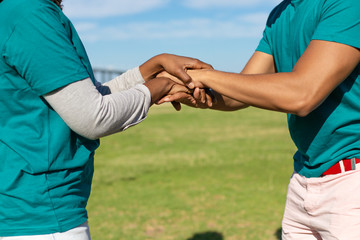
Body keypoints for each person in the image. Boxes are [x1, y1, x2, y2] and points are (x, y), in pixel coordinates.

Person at [0, 0, 212, 238]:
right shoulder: (29, 13)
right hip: (42, 216)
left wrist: (152, 67)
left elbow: (85, 97)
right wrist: (161, 86)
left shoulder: (13, 11)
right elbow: (93, 116)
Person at [160, 0, 360, 239]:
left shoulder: (347, 4)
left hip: (351, 179)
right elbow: (240, 94)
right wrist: (189, 89)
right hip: (303, 178)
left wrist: (204, 76)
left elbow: (302, 94)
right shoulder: (279, 14)